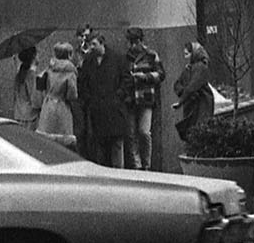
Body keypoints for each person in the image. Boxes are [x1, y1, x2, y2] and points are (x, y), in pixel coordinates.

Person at [76, 32, 130, 168]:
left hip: (114, 109)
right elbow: (82, 83)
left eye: (94, 44)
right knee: (100, 146)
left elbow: (127, 80)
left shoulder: (117, 58)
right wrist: (88, 100)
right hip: (97, 110)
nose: (92, 47)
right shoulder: (89, 61)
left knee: (117, 145)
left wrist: (119, 95)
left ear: (102, 43)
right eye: (90, 45)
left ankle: (119, 174)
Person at [122, 27, 164, 170]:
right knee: (131, 134)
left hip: (146, 98)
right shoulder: (126, 57)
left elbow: (161, 75)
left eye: (134, 42)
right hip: (130, 98)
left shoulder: (151, 55)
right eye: (130, 43)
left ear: (140, 41)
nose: (132, 46)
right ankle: (137, 165)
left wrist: (145, 77)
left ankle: (146, 165)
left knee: (144, 132)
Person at [36, 41, 80, 146]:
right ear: (69, 54)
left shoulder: (49, 68)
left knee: (46, 141)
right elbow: (72, 95)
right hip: (62, 107)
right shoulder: (70, 72)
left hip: (48, 106)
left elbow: (41, 85)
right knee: (63, 141)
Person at [173, 41, 214, 143]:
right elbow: (177, 84)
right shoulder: (189, 68)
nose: (185, 57)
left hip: (201, 105)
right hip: (191, 105)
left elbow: (193, 86)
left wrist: (181, 100)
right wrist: (183, 92)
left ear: (194, 54)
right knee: (192, 132)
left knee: (198, 132)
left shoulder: (201, 67)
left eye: (187, 54)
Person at [9, 45, 41, 129]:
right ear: (33, 56)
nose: (39, 55)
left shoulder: (19, 74)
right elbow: (35, 100)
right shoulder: (31, 75)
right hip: (30, 117)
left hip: (19, 114)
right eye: (37, 53)